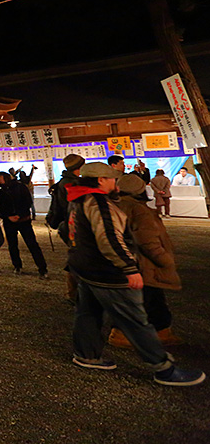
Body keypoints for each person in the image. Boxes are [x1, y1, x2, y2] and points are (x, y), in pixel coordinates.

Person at [66, 162, 204, 386]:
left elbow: (67, 230)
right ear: (100, 180)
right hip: (107, 272)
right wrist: (129, 268)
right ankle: (164, 369)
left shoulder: (77, 198)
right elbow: (109, 238)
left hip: (85, 268)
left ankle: (86, 355)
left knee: (87, 313)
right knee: (135, 320)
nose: (115, 182)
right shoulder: (99, 202)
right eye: (112, 178)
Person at [110, 174, 184, 348]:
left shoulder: (114, 206)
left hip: (124, 261)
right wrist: (165, 260)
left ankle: (124, 333)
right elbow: (147, 241)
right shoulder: (139, 210)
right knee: (151, 299)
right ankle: (134, 335)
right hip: (143, 263)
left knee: (139, 299)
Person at [46, 154, 85, 304]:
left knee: (75, 255)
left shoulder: (64, 181)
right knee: (76, 257)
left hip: (67, 224)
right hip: (72, 225)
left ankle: (74, 292)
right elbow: (71, 207)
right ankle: (73, 292)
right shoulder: (71, 184)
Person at [0, 172, 48, 278]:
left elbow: (28, 202)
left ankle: (42, 268)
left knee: (32, 244)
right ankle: (17, 265)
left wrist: (19, 215)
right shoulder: (0, 192)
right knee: (12, 245)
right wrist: (7, 216)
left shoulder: (20, 187)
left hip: (23, 220)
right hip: (9, 222)